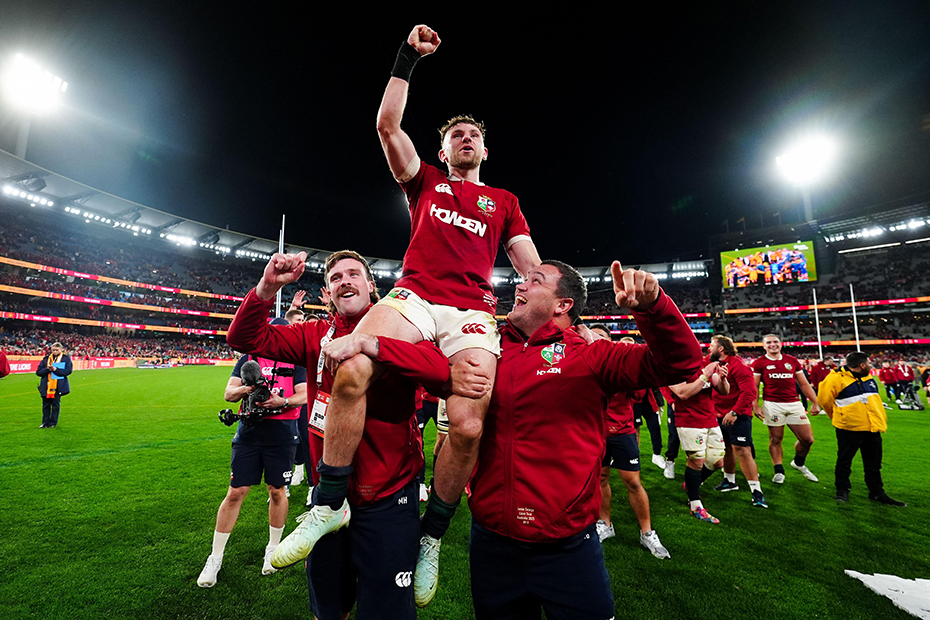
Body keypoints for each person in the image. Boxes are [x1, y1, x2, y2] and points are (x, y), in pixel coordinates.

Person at [307, 23, 542, 607]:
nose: (465, 139)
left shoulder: (505, 203)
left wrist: (555, 303)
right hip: (413, 296)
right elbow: (387, 125)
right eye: (456, 134)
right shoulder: (428, 183)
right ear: (443, 150)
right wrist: (407, 57)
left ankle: (431, 535)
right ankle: (328, 504)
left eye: (473, 135)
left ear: (485, 149)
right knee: (351, 368)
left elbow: (530, 268)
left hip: (469, 312)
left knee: (465, 425)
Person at [361, 260, 701, 617]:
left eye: (534, 281)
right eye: (522, 279)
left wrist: (653, 307)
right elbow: (422, 361)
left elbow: (681, 365)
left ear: (562, 305)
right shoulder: (485, 348)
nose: (519, 287)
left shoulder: (590, 355)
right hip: (492, 543)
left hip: (568, 549)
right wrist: (390, 351)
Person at [225, 250, 488, 619]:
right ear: (328, 293)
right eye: (335, 278)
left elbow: (437, 367)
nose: (344, 281)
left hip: (389, 495)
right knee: (330, 609)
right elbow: (243, 338)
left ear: (370, 286)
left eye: (353, 274)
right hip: (328, 500)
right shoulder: (314, 334)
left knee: (387, 611)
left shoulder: (403, 327)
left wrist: (373, 345)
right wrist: (267, 287)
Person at [196, 319, 308, 588]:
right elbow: (228, 394)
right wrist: (249, 389)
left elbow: (304, 395)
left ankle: (272, 550)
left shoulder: (295, 360)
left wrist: (283, 401)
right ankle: (215, 557)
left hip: (282, 433)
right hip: (249, 432)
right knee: (235, 492)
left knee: (277, 491)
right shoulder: (248, 358)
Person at [588, 325, 670, 559]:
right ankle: (605, 524)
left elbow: (638, 395)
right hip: (595, 432)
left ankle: (647, 533)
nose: (596, 340)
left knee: (632, 482)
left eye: (602, 337)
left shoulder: (620, 366)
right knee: (601, 479)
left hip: (622, 431)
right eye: (593, 336)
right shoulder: (583, 364)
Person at [818, 352, 905, 506]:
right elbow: (824, 401)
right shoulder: (835, 378)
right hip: (849, 427)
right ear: (862, 365)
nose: (871, 365)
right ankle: (842, 489)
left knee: (874, 463)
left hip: (872, 426)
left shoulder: (867, 377)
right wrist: (840, 417)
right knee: (845, 461)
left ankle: (877, 492)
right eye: (869, 363)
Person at [666, 356, 730, 523]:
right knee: (696, 461)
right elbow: (682, 393)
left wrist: (722, 379)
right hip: (689, 420)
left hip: (709, 419)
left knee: (717, 462)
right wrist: (705, 375)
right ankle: (696, 506)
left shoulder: (703, 364)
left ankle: (691, 483)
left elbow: (724, 390)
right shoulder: (673, 367)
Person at [751, 334, 821, 484]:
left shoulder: (792, 361)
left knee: (807, 439)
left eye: (775, 342)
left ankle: (798, 463)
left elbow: (803, 384)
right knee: (776, 439)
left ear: (780, 344)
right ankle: (779, 471)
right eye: (768, 343)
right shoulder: (759, 362)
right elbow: (755, 386)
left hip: (794, 403)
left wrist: (815, 402)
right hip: (772, 404)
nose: (772, 345)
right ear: (764, 346)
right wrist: (755, 405)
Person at [707, 335, 767, 508]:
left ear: (721, 349)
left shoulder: (738, 366)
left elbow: (749, 392)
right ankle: (729, 480)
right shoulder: (716, 363)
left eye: (712, 346)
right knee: (726, 448)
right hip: (719, 414)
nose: (709, 349)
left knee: (742, 450)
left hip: (737, 415)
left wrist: (734, 412)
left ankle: (757, 491)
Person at [36, 342, 72, 429]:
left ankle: (53, 422)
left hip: (58, 386)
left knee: (55, 405)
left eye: (56, 350)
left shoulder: (65, 359)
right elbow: (38, 372)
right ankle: (45, 422)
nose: (54, 352)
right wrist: (48, 369)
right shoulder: (46, 359)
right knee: (45, 405)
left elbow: (68, 371)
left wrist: (55, 369)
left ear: (61, 350)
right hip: (46, 386)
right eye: (53, 350)